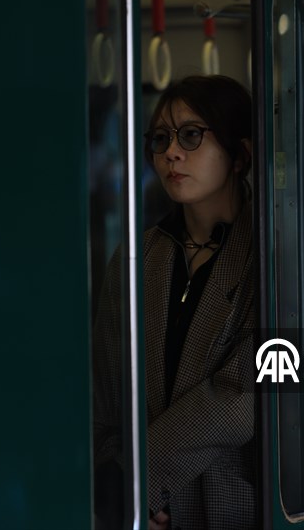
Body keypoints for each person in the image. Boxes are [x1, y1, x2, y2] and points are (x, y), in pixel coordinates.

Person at [94, 75, 257, 530]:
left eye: (191, 135)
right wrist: (120, 491)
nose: (171, 153)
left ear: (240, 154)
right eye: (161, 138)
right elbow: (104, 395)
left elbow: (242, 398)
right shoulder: (134, 257)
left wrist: (140, 482)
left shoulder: (272, 258)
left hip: (235, 508)